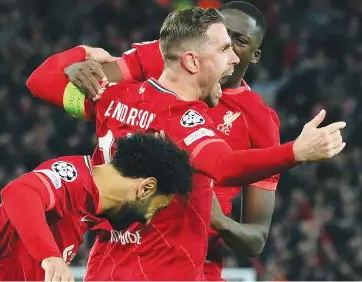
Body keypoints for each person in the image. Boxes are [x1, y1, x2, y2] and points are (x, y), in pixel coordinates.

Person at [27, 7, 345, 280]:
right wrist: (297, 151)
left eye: (238, 44)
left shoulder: (114, 96)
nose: (232, 55)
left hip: (111, 263)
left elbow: (41, 81)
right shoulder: (181, 116)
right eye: (223, 46)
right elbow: (222, 165)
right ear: (192, 60)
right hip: (166, 268)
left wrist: (81, 54)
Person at [62, 2, 281, 280]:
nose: (228, 47)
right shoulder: (161, 64)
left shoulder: (259, 122)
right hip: (117, 257)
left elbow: (256, 239)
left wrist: (221, 223)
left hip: (189, 267)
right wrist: (74, 69)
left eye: (239, 41)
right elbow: (77, 87)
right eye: (222, 36)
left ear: (255, 55)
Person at [0, 133, 193, 282]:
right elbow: (19, 193)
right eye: (154, 209)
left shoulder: (93, 206)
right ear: (146, 188)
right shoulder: (74, 180)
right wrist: (51, 258)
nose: (147, 220)